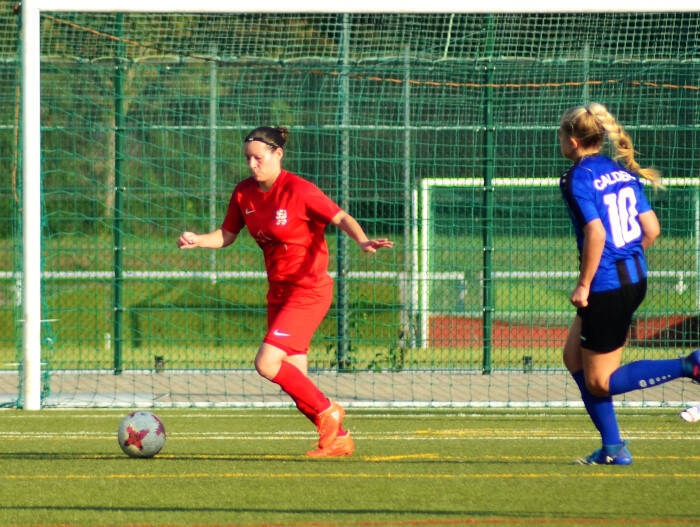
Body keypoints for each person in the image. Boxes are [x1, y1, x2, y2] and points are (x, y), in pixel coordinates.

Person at [178, 126, 393, 457]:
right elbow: (227, 234)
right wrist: (198, 240)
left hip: (309, 290)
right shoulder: (244, 193)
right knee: (297, 381)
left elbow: (341, 217)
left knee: (266, 363)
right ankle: (338, 439)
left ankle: (330, 411)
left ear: (278, 154)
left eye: (258, 158)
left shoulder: (299, 189)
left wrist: (362, 240)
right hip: (278, 293)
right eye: (247, 158)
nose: (252, 164)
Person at [558, 102, 700, 465]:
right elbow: (651, 229)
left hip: (606, 287)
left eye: (560, 135)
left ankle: (691, 366)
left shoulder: (577, 177)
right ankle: (612, 448)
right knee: (573, 357)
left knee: (600, 381)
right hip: (634, 278)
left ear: (572, 140)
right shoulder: (621, 171)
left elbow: (596, 233)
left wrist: (584, 284)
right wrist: (625, 259)